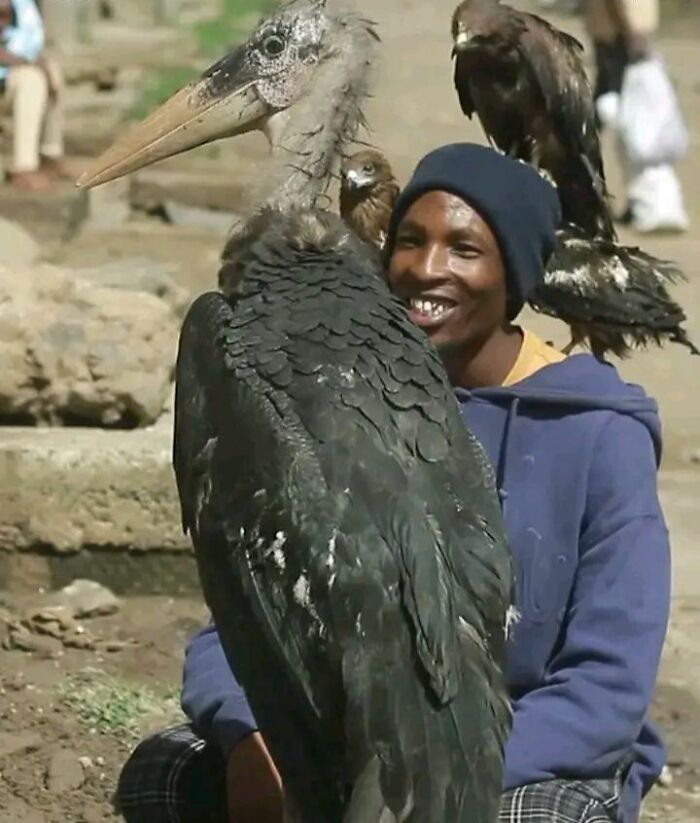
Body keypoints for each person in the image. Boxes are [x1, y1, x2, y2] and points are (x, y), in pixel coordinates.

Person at [115, 144, 671, 823]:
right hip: (344, 737)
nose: (426, 269)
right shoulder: (334, 394)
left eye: (464, 249)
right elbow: (241, 606)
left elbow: (606, 690)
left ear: (514, 275)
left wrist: (423, 780)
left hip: (519, 754)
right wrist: (252, 737)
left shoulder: (600, 434)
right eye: (410, 240)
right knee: (163, 775)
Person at [583, 0, 689, 233]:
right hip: (622, 37)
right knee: (615, 122)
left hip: (620, 36)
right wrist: (635, 33)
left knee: (620, 123)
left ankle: (614, 197)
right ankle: (586, 192)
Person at [0, 0, 67, 190]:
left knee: (52, 71)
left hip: (9, 72)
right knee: (31, 79)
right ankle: (23, 167)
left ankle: (50, 155)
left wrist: (38, 60)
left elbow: (28, 40)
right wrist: (27, 62)